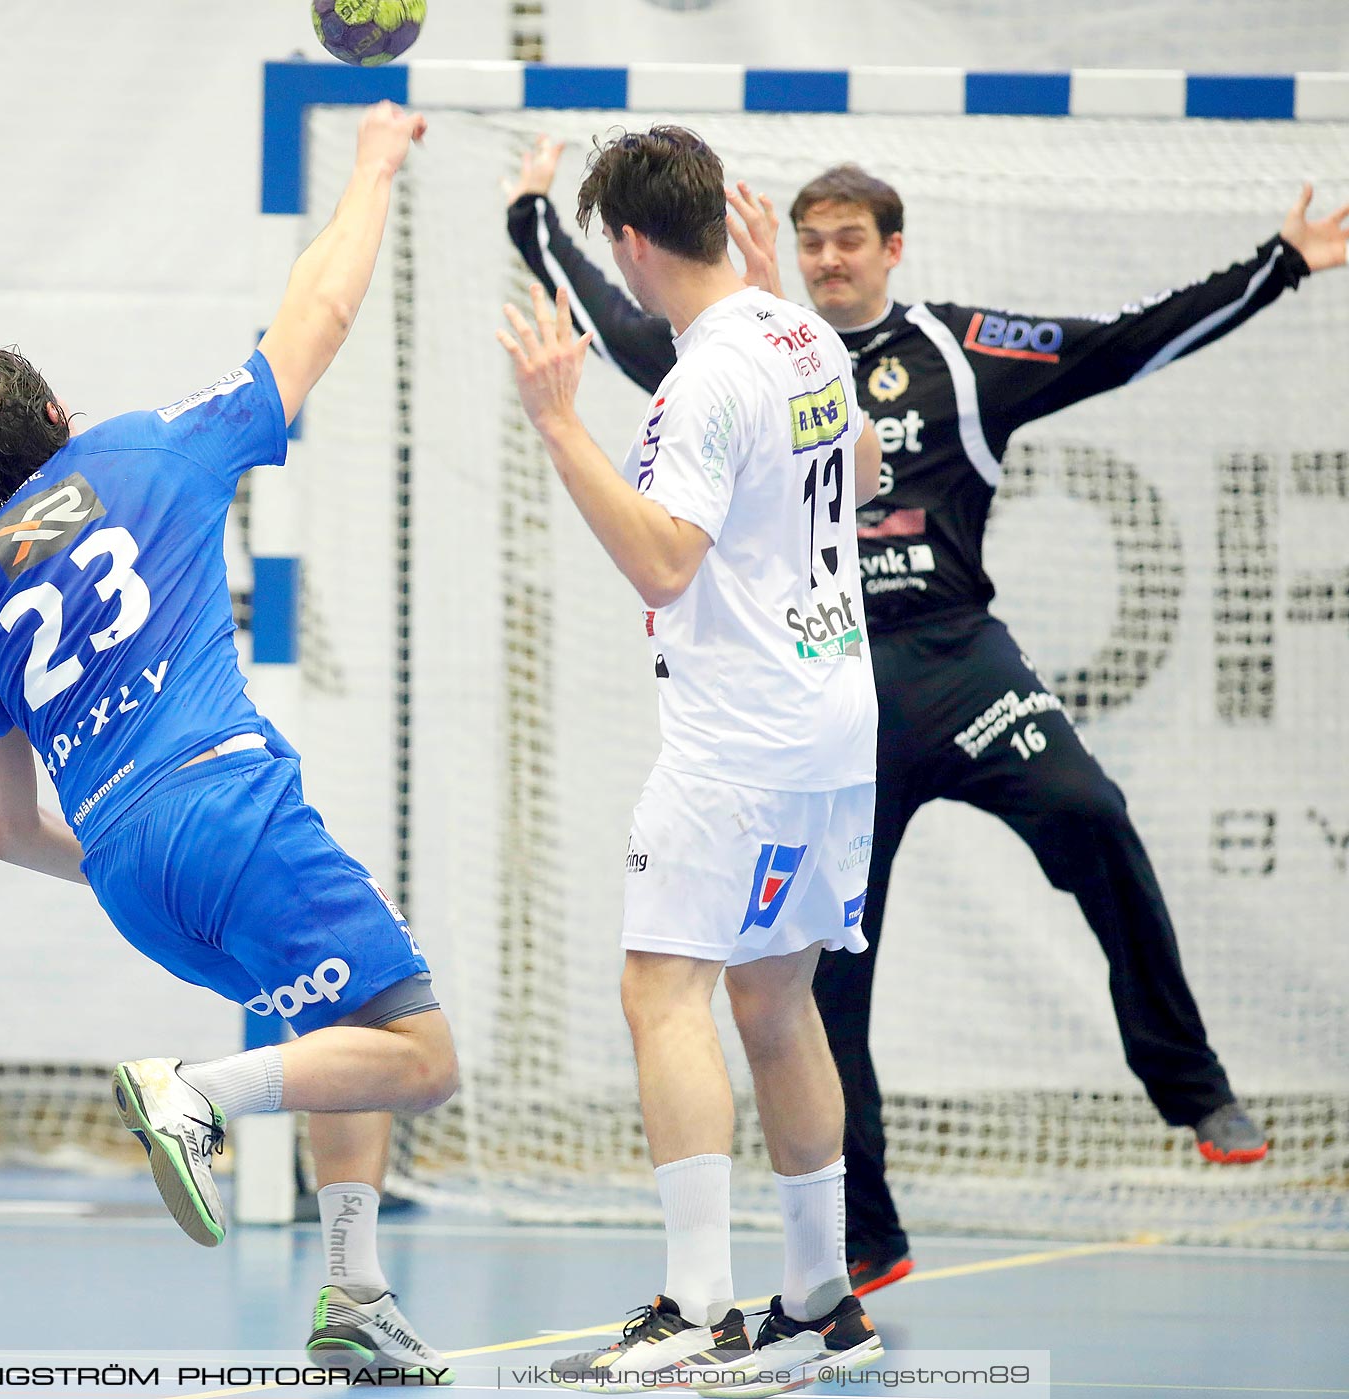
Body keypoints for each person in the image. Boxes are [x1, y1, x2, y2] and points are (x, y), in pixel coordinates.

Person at [505, 139, 1349, 1294]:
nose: (830, 258)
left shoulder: (893, 351)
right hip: (847, 691)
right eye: (811, 240)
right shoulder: (783, 342)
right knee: (806, 992)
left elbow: (1114, 345)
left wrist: (1277, 268)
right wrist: (529, 219)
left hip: (922, 669)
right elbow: (624, 321)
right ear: (767, 244)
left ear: (893, 249)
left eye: (851, 239)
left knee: (1078, 816)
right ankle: (850, 1253)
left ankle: (1186, 1081)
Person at [0, 101, 460, 1380]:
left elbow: (4, 831)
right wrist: (372, 165)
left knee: (341, 1021)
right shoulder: (141, 446)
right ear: (58, 411)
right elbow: (318, 319)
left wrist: (127, 848)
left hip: (131, 877)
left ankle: (352, 1293)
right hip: (226, 807)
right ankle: (195, 1095)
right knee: (419, 1055)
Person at [499, 126, 884, 1395]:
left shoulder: (706, 374)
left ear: (629, 244)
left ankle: (699, 1312)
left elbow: (665, 559)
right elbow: (866, 466)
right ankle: (824, 1302)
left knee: (662, 992)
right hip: (833, 722)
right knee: (775, 1006)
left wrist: (560, 424)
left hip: (741, 740)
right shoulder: (801, 331)